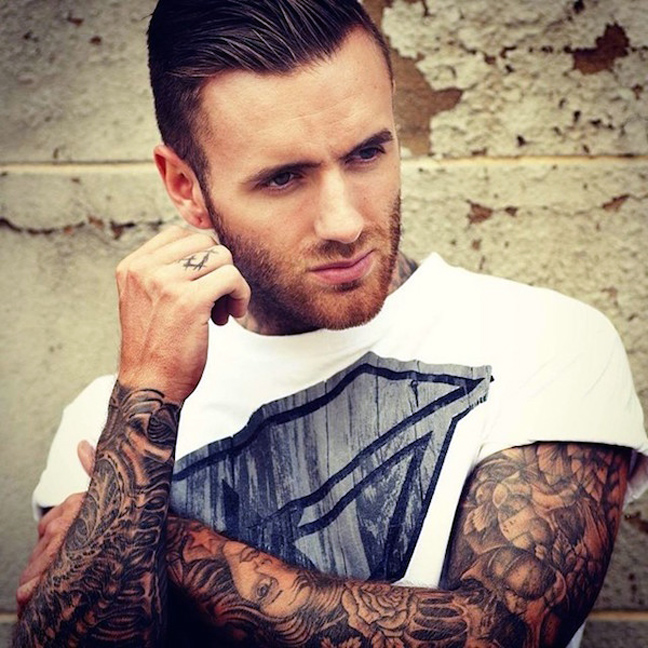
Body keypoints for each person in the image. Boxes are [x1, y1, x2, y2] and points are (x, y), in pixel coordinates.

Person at [13, 0, 648, 646]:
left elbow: (498, 635)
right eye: (283, 178)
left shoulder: (541, 341)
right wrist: (147, 390)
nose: (344, 223)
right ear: (185, 186)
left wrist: (163, 537)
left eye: (367, 152)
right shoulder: (114, 420)